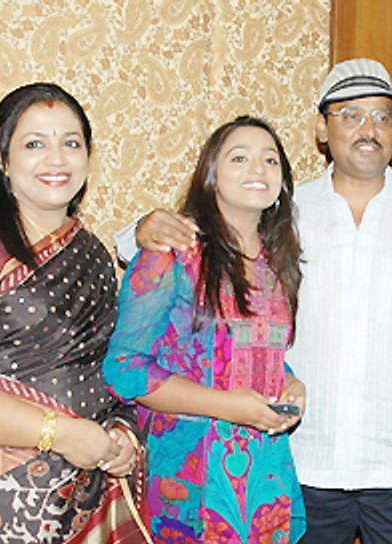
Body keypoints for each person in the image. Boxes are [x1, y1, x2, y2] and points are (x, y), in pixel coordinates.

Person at [123, 59, 392, 543]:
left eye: (383, 116)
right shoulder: (285, 215)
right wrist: (143, 229)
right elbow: (190, 246)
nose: (369, 129)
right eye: (351, 115)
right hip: (300, 462)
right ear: (321, 128)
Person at [0, 83, 146, 542]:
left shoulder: (92, 253)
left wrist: (123, 434)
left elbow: (105, 369)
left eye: (71, 143)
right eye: (35, 144)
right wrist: (61, 434)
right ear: (3, 158)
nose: (56, 159)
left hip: (79, 496)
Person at [102, 116, 307, 543]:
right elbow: (124, 368)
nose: (258, 168)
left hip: (264, 478)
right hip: (189, 479)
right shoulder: (171, 253)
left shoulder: (276, 263)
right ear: (211, 175)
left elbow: (254, 349)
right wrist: (226, 406)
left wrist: (289, 382)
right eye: (240, 158)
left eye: (270, 160)